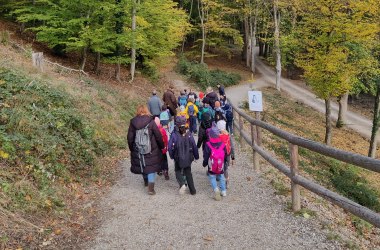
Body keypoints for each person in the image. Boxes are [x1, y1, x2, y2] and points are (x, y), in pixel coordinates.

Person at [127, 105, 164, 195]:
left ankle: (146, 180)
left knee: (142, 164)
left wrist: (132, 148)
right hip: (151, 147)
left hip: (138, 147)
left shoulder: (133, 122)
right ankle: (151, 188)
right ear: (146, 111)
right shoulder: (150, 121)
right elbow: (158, 135)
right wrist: (161, 145)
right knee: (151, 166)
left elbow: (130, 137)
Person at [168, 116, 199, 195]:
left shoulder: (174, 134)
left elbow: (170, 146)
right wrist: (196, 156)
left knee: (177, 170)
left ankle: (182, 184)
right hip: (188, 156)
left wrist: (172, 156)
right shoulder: (188, 134)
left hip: (178, 157)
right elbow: (194, 145)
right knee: (188, 172)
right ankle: (193, 190)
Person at [202, 124, 228, 201]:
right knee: (221, 176)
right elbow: (225, 155)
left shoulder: (208, 144)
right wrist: (225, 163)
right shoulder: (222, 144)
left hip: (212, 164)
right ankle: (223, 191)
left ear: (210, 135)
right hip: (221, 163)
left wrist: (205, 163)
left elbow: (206, 155)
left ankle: (216, 189)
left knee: (212, 177)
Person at [216, 120, 235, 189]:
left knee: (220, 167)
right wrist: (233, 157)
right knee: (225, 168)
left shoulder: (217, 136)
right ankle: (227, 180)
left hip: (220, 155)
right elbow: (232, 147)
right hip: (227, 154)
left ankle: (222, 182)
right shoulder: (228, 135)